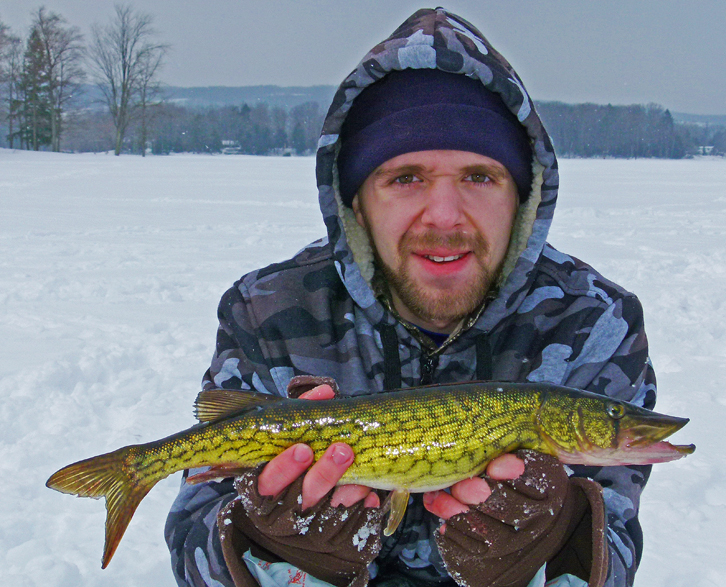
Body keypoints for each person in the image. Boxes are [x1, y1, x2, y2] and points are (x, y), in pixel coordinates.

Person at [166, 8, 656, 587]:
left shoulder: (593, 322)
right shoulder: (266, 310)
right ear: (354, 203)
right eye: (405, 178)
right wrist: (272, 549)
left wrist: (556, 548)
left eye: (479, 177)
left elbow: (614, 543)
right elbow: (196, 534)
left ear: (522, 200)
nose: (444, 217)